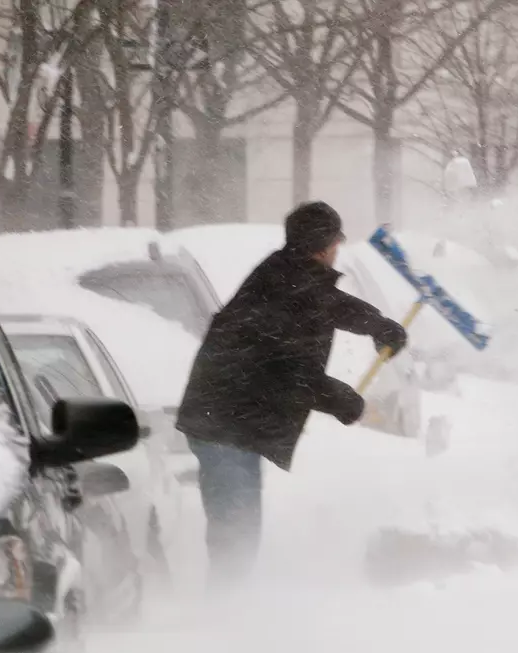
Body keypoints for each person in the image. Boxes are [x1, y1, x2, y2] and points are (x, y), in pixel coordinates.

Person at [175, 200, 408, 584]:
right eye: (336, 242)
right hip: (224, 422)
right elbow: (289, 370)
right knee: (236, 529)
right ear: (322, 246)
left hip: (228, 420)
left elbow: (332, 304)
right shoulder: (286, 284)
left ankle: (229, 609)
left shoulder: (287, 274)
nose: (338, 250)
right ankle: (221, 618)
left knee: (240, 525)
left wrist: (380, 327)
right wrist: (342, 400)